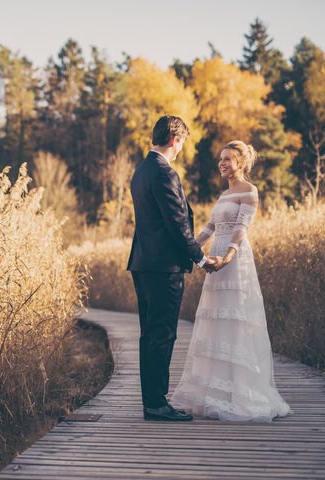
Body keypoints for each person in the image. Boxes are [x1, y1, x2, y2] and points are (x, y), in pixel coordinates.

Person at [170, 141, 291, 422]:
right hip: (215, 257)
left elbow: (240, 228)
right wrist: (189, 247)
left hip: (235, 260)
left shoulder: (249, 191)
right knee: (216, 321)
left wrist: (229, 255)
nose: (222, 163)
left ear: (241, 162)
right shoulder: (224, 194)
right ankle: (214, 393)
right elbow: (211, 228)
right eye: (220, 159)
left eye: (228, 159)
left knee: (234, 318)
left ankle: (239, 392)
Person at [127, 115, 219, 421]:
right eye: (182, 143)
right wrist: (201, 258)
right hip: (163, 268)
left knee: (149, 334)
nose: (181, 150)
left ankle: (151, 401)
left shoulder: (141, 171)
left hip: (143, 263)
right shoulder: (164, 173)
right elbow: (177, 224)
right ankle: (156, 404)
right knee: (163, 334)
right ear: (174, 140)